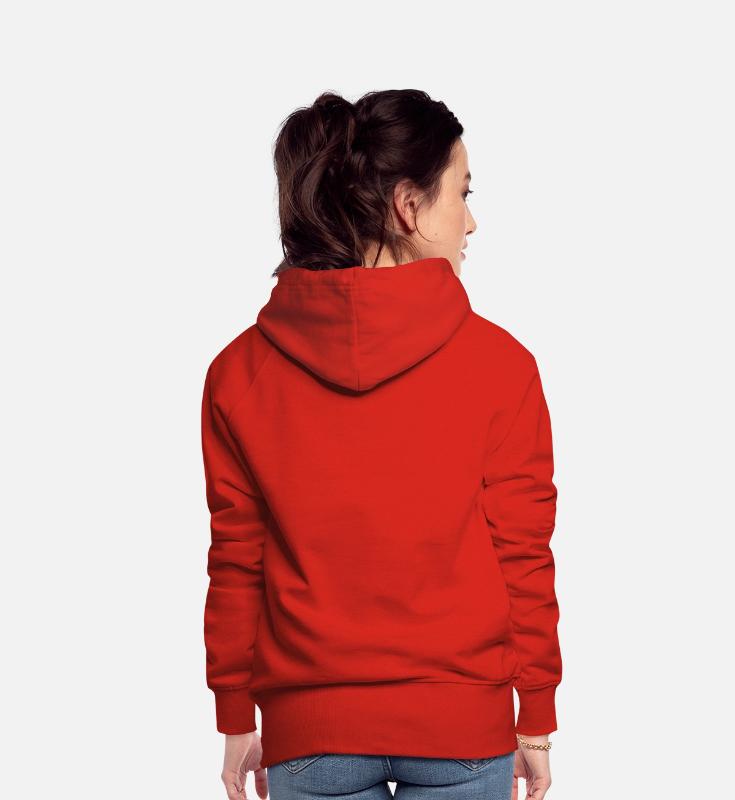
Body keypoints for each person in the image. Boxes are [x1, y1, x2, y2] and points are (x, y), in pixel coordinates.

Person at [201, 89, 563, 800]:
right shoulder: (502, 366)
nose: (471, 220)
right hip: (463, 727)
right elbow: (522, 554)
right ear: (409, 206)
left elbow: (237, 556)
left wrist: (236, 716)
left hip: (311, 734)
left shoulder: (239, 373)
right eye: (463, 193)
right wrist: (536, 720)